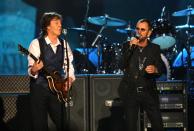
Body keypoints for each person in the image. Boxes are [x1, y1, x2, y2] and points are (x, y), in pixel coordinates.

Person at [27, 12, 75, 131]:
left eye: (60, 23)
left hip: (57, 90)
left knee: (62, 123)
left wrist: (69, 78)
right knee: (39, 125)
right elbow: (31, 70)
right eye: (56, 23)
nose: (60, 26)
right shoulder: (36, 43)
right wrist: (34, 69)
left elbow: (69, 65)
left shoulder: (64, 44)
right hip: (39, 89)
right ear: (47, 26)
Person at [118, 18, 164, 131]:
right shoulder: (127, 46)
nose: (139, 32)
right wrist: (130, 48)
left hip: (148, 91)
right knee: (130, 126)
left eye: (143, 30)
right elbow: (121, 65)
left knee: (158, 125)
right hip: (131, 91)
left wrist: (155, 69)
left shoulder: (154, 48)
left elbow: (161, 69)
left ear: (149, 32)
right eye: (137, 29)